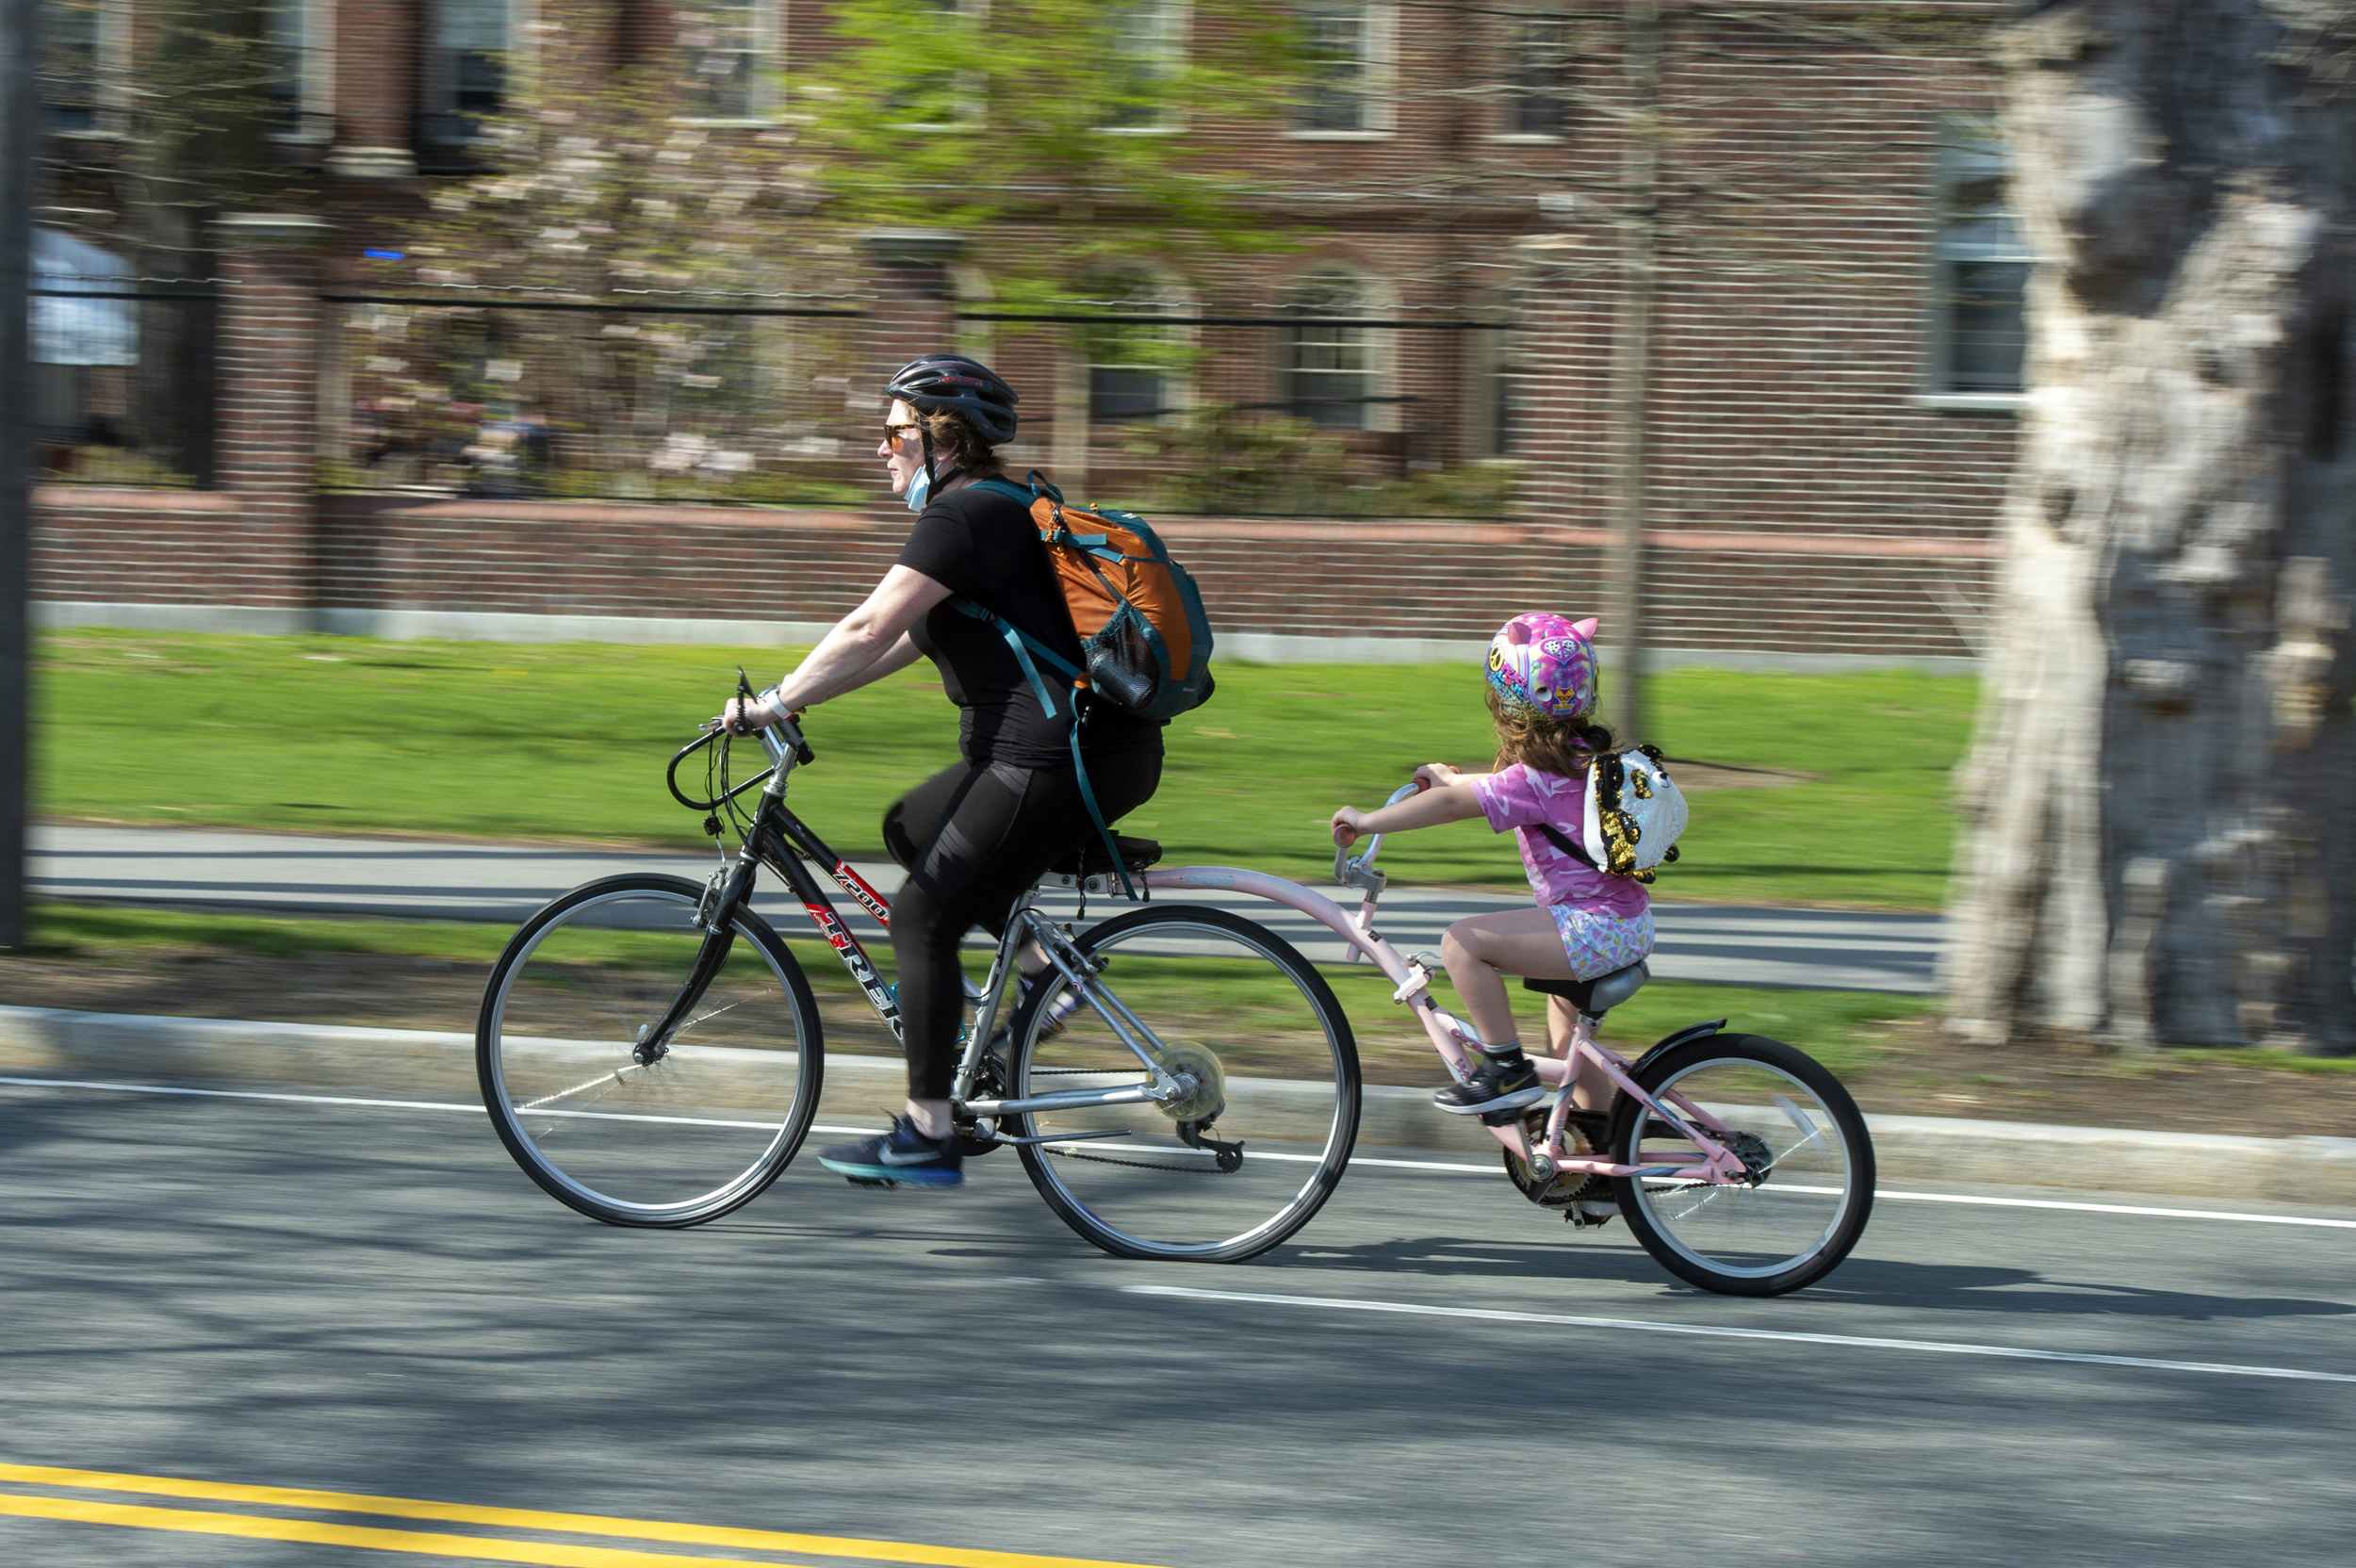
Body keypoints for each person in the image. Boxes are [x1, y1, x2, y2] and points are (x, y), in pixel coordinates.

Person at [723, 354, 1165, 1187]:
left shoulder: (962, 520)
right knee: (911, 827)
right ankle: (1046, 976)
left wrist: (773, 701)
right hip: (1082, 751)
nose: (880, 447)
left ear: (940, 435)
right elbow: (893, 646)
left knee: (921, 918)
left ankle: (929, 1133)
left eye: (892, 430)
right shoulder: (992, 513)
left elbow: (863, 627)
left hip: (1054, 759)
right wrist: (796, 702)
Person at [1328, 612, 1652, 1119]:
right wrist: (1445, 777)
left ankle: (1506, 1069)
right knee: (1570, 1045)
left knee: (1462, 944)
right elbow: (1493, 789)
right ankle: (1600, 1158)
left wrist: (1367, 821)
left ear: (1506, 698)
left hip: (1591, 929)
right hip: (1624, 923)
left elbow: (1454, 806)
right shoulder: (1581, 756)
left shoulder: (1536, 778)